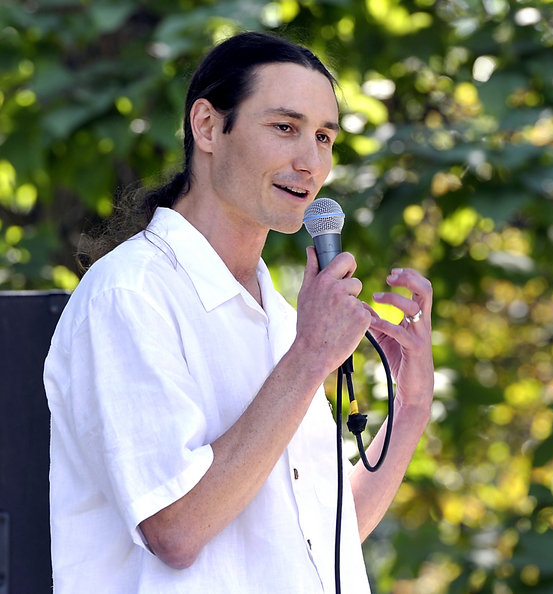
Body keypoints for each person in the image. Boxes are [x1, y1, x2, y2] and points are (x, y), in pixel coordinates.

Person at [43, 31, 434, 593]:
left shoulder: (278, 314)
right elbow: (175, 529)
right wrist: (310, 357)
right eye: (285, 127)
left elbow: (321, 538)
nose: (310, 161)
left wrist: (414, 405)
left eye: (324, 136)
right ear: (207, 127)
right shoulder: (128, 295)